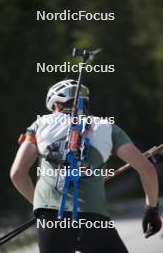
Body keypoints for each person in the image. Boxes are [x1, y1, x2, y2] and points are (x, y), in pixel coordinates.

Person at [10, 79, 162, 253]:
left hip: (51, 219)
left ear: (57, 105)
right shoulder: (108, 127)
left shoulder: (40, 124)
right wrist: (151, 210)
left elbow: (17, 174)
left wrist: (39, 205)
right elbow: (148, 171)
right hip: (93, 218)